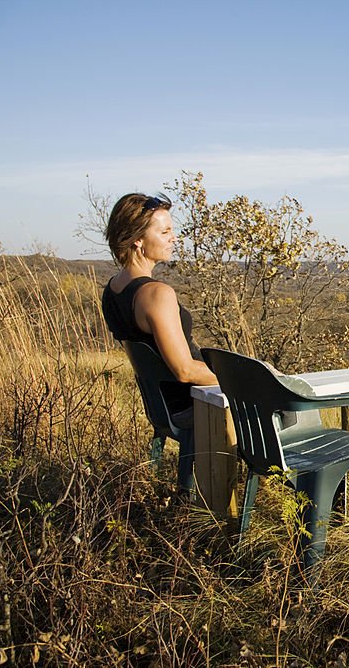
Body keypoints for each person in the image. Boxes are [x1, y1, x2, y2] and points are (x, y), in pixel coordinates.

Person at [100, 192, 217, 495]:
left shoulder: (114, 290)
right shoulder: (156, 294)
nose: (173, 238)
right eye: (164, 231)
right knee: (293, 405)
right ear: (137, 239)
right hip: (194, 403)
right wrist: (246, 380)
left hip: (162, 406)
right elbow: (185, 370)